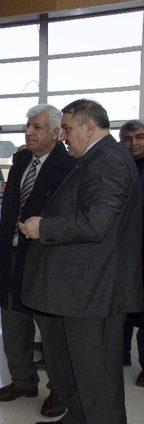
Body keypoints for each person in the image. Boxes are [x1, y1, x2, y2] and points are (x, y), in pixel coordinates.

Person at [20, 99, 143, 424]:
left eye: (68, 129)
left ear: (90, 127)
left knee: (97, 381)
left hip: (95, 292)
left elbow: (97, 223)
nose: (63, 136)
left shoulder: (110, 162)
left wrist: (42, 226)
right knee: (75, 371)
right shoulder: (94, 159)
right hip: (79, 291)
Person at [0, 104, 72, 418]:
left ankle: (61, 391)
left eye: (37, 127)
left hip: (46, 262)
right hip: (11, 258)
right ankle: (23, 381)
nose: (29, 131)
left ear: (55, 131)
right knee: (13, 324)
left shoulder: (69, 166)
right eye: (28, 126)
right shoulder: (22, 160)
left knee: (51, 333)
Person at [119, 119, 144, 387]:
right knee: (121, 304)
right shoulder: (119, 168)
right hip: (123, 250)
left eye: (139, 137)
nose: (134, 143)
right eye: (128, 139)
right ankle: (120, 354)